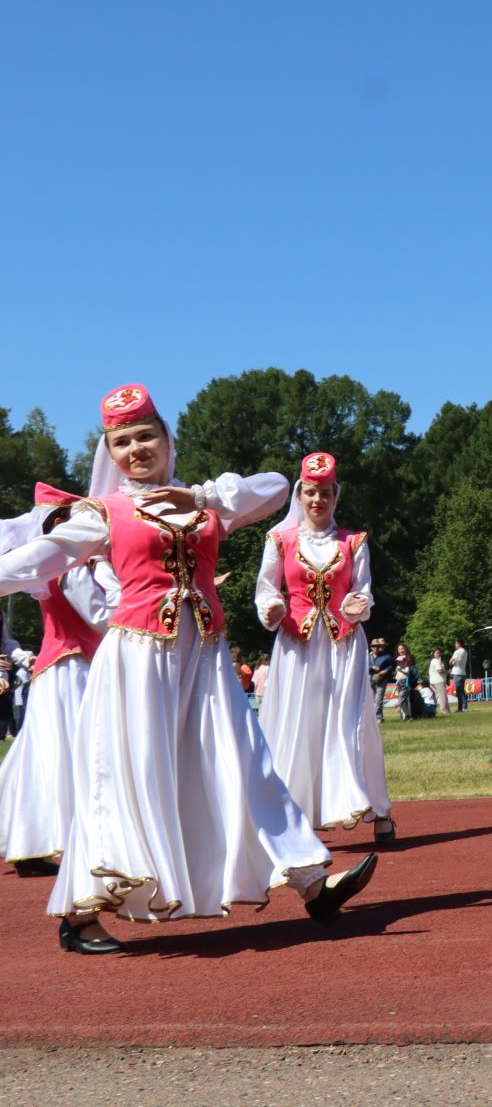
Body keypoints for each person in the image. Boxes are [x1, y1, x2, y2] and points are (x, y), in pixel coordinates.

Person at [0, 384, 375, 953]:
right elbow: (35, 559)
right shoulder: (102, 513)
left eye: (145, 436)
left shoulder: (204, 504)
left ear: (168, 439)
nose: (136, 449)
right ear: (110, 452)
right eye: (121, 441)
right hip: (136, 663)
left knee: (247, 760)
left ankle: (312, 882)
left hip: (205, 655)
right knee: (127, 779)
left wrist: (203, 494)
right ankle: (80, 915)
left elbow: (276, 490)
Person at [256, 451, 395, 846]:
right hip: (296, 647)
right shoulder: (279, 540)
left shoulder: (354, 541)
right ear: (300, 495)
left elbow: (363, 591)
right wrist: (273, 607)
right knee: (295, 724)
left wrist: (357, 606)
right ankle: (291, 813)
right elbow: (266, 591)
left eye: (326, 494)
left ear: (336, 497)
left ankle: (377, 808)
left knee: (350, 724)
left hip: (342, 645)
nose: (318, 501)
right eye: (311, 493)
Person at [0, 486, 119, 878]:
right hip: (75, 667)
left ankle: (30, 842)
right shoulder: (73, 569)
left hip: (58, 667)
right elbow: (99, 616)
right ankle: (75, 836)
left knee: (44, 753)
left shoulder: (53, 568)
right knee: (78, 751)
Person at [392, 644, 423, 719]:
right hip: (400, 681)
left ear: (405, 649)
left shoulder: (409, 658)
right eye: (399, 649)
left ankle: (409, 715)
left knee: (407, 699)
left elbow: (410, 670)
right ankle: (404, 716)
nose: (401, 650)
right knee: (404, 698)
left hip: (408, 681)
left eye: (402, 649)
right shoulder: (398, 659)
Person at [369, 638, 394, 722]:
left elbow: (391, 666)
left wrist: (386, 671)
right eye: (374, 646)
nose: (375, 648)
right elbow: (363, 666)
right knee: (372, 700)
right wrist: (372, 667)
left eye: (377, 646)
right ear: (371, 647)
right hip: (371, 680)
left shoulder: (386, 656)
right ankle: (379, 717)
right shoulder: (368, 656)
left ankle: (377, 718)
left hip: (381, 679)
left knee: (378, 700)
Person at [449, 638, 469, 712]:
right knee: (462, 690)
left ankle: (459, 708)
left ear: (459, 644)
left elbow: (450, 662)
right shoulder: (465, 651)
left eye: (456, 643)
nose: (455, 645)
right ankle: (465, 705)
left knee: (458, 691)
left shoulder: (457, 652)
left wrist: (452, 662)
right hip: (463, 672)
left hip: (457, 672)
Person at [428, 648, 449, 715]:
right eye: (437, 653)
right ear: (433, 654)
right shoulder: (435, 661)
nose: (439, 654)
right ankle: (444, 710)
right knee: (442, 696)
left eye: (439, 652)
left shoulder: (437, 661)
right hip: (438, 681)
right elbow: (440, 671)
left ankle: (445, 710)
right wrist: (447, 672)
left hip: (435, 681)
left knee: (439, 696)